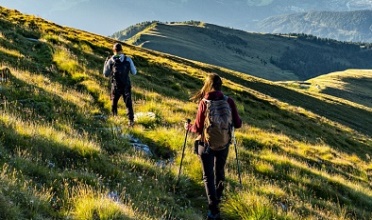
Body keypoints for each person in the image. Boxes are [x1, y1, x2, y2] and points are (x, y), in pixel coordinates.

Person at [185, 73, 242, 220]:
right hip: (223, 143)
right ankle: (218, 202)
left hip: (206, 144)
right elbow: (238, 124)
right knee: (220, 172)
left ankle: (213, 210)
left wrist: (188, 127)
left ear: (208, 85)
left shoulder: (204, 102)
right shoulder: (229, 101)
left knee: (208, 176)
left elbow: (197, 128)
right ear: (221, 85)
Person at [103, 43, 137, 126]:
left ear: (114, 50)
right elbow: (134, 72)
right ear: (121, 50)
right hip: (126, 85)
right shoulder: (127, 59)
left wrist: (106, 63)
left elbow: (105, 74)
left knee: (114, 103)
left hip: (115, 86)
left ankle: (115, 120)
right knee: (128, 104)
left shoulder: (111, 60)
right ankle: (131, 122)